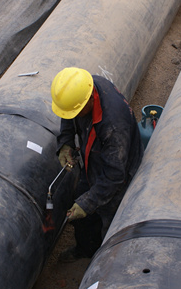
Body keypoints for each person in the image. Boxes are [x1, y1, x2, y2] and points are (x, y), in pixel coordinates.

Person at [51, 67, 143, 263]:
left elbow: (114, 176)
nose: (73, 114)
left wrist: (88, 203)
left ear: (88, 102)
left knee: (108, 220)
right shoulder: (83, 88)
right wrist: (66, 142)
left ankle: (103, 263)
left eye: (76, 111)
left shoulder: (114, 126)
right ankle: (85, 249)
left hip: (118, 174)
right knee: (82, 210)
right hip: (94, 158)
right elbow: (69, 114)